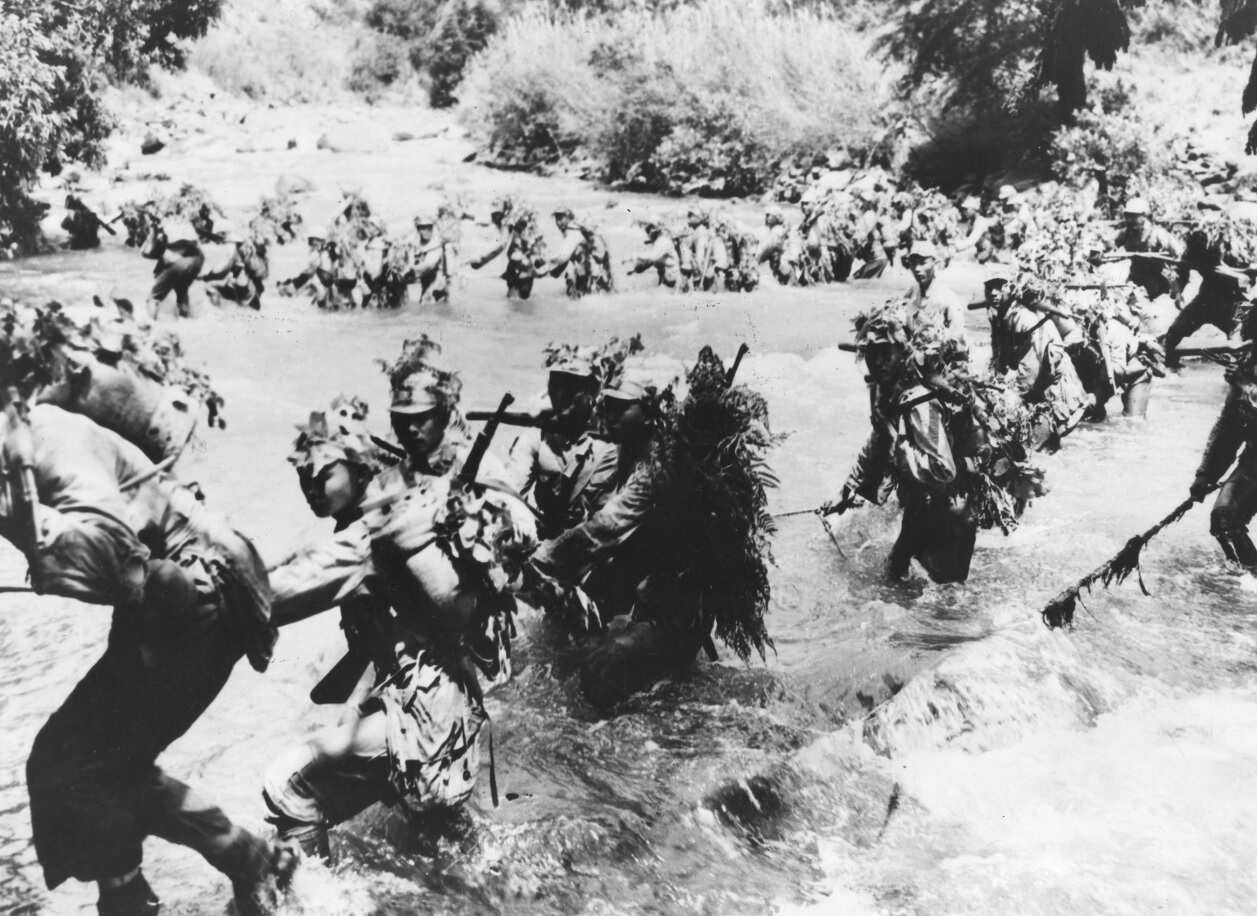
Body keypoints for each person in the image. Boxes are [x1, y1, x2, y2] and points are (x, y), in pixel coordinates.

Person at [0, 400, 288, 916]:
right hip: (173, 602)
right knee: (90, 763)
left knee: (74, 764)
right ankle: (240, 859)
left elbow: (121, 565)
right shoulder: (20, 441)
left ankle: (145, 892)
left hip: (195, 601)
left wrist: (49, 552)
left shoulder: (51, 443)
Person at [264, 353, 534, 857]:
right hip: (423, 706)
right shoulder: (389, 500)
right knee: (446, 863)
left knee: (288, 786)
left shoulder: (391, 515)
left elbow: (312, 583)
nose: (309, 488)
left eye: (321, 475)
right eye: (400, 421)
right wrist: (354, 705)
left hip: (429, 714)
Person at [821, 310, 979, 583]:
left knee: (947, 602)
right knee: (897, 580)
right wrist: (845, 491)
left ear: (902, 352)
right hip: (922, 506)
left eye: (886, 353)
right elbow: (876, 440)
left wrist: (897, 441)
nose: (878, 362)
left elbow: (944, 470)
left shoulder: (918, 401)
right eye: (871, 354)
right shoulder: (891, 390)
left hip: (950, 512)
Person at [505, 349, 621, 539]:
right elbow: (510, 495)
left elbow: (603, 523)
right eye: (555, 384)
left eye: (570, 386)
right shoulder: (536, 437)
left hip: (582, 548)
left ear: (591, 392)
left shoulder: (605, 449)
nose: (560, 394)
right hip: (538, 537)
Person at [985, 277, 1088, 449]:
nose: (993, 293)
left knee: (1036, 449)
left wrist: (1011, 396)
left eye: (999, 287)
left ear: (1009, 288)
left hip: (1053, 387)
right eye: (989, 287)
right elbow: (999, 356)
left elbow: (1031, 369)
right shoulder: (1001, 315)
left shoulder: (1023, 318)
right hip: (1039, 383)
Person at [1189, 321, 1257, 566]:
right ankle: (1246, 578)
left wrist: (1246, 388)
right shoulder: (1247, 362)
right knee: (1224, 518)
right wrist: (1205, 474)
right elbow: (1229, 428)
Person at [1162, 221, 1252, 365]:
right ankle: (1169, 362)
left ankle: (1243, 366)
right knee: (1174, 333)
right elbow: (1181, 275)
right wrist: (1176, 289)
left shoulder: (1231, 254)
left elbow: (1248, 292)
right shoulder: (1193, 251)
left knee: (1243, 333)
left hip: (1232, 300)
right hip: (1205, 300)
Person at [468, 198, 546, 299]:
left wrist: (482, 261)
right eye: (493, 215)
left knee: (517, 296)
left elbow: (501, 245)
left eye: (497, 215)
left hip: (524, 257)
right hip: (530, 251)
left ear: (503, 213)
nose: (494, 218)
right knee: (521, 292)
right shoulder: (515, 217)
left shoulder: (507, 220)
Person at [1111, 197, 1185, 302]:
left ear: (1144, 216)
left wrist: (1175, 276)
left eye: (1133, 216)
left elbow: (1178, 253)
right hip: (1136, 278)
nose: (1129, 220)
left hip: (1158, 280)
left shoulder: (1158, 233)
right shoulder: (1127, 233)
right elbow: (1109, 244)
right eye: (1127, 216)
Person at [902, 240, 966, 342]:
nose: (917, 268)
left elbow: (959, 335)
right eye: (913, 263)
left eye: (923, 263)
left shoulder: (946, 297)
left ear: (934, 263)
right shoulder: (911, 292)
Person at [141, 220, 204, 320]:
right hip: (197, 259)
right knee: (182, 290)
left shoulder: (162, 228)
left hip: (177, 260)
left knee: (154, 298)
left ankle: (152, 326)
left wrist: (151, 234)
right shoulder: (185, 224)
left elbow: (147, 253)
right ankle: (186, 320)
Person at [546, 207, 613, 298]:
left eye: (561, 218)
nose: (558, 222)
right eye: (556, 219)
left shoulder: (572, 233)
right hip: (596, 265)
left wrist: (546, 261)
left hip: (587, 268)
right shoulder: (578, 227)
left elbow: (563, 257)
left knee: (578, 297)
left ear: (568, 217)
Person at [202, 236, 269, 310]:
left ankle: (216, 311)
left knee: (209, 286)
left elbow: (223, 270)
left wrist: (209, 276)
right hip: (249, 290)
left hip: (243, 289)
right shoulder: (250, 250)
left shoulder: (237, 252)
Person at [626, 219, 682, 288]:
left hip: (672, 278)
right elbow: (651, 261)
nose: (647, 233)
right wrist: (637, 269)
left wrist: (636, 255)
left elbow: (653, 257)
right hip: (668, 277)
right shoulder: (660, 242)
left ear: (654, 230)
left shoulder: (663, 241)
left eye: (648, 230)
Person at [411, 216, 451, 304]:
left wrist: (411, 270)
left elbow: (429, 265)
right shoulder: (417, 245)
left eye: (429, 228)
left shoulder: (436, 246)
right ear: (418, 229)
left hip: (438, 289)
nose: (427, 231)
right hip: (426, 287)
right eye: (423, 228)